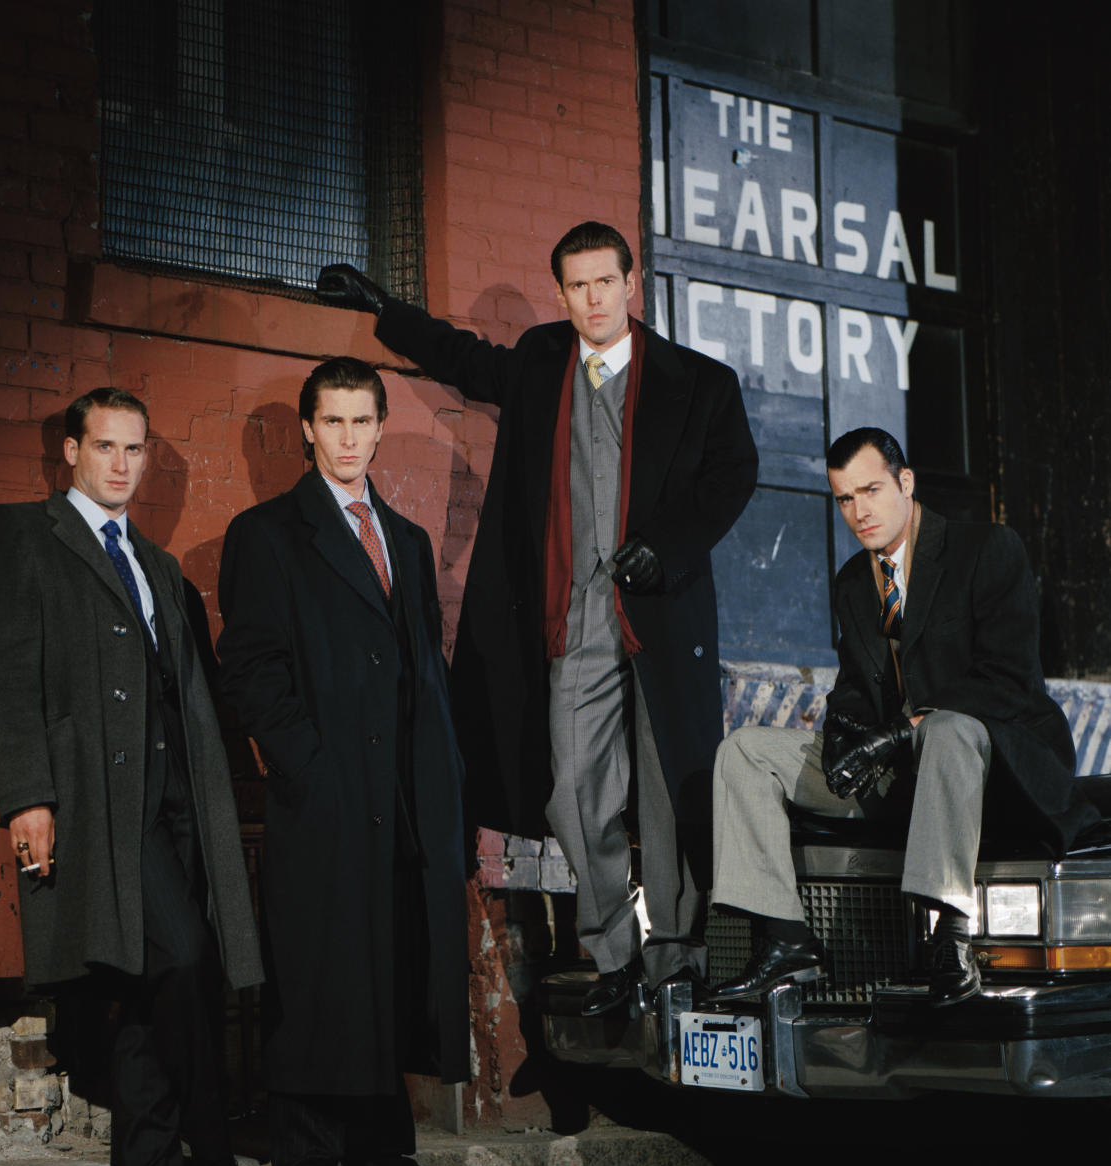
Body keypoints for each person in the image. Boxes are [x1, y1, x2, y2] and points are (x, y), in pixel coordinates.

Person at [315, 222, 758, 1015]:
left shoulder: (699, 382)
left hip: (658, 614)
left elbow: (735, 474)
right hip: (577, 613)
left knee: (669, 794)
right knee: (572, 787)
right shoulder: (543, 362)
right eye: (576, 286)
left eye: (603, 283)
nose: (591, 299)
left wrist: (669, 545)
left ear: (632, 284)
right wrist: (385, 308)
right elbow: (462, 359)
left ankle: (677, 960)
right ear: (561, 293)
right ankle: (617, 955)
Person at [0, 387, 263, 1166]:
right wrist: (28, 795)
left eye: (135, 450)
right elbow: (7, 674)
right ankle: (207, 1152)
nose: (122, 465)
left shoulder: (159, 566)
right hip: (100, 807)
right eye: (105, 447)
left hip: (174, 807)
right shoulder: (23, 536)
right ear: (70, 450)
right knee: (182, 962)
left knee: (151, 990)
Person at [217, 357, 481, 1166]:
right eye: (332, 422)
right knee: (324, 982)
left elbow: (423, 676)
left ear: (376, 426)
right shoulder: (268, 534)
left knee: (395, 978)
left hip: (405, 799)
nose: (349, 439)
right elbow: (251, 669)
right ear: (307, 428)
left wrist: (440, 791)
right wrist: (311, 768)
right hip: (327, 797)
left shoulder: (402, 539)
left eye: (363, 422)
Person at [709, 427, 1095, 1006]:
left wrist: (899, 732)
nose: (859, 512)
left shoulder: (986, 549)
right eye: (844, 499)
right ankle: (786, 940)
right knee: (743, 750)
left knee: (945, 729)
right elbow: (857, 689)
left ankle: (950, 937)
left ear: (905, 482)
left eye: (871, 490)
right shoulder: (852, 583)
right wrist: (843, 732)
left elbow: (1008, 681)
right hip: (906, 772)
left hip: (996, 766)